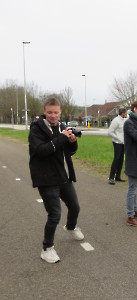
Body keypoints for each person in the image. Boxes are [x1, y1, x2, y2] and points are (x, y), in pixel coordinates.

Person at [28, 97, 84, 264]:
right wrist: (62, 137)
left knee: (75, 207)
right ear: (44, 112)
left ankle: (71, 226)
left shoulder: (62, 127)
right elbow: (42, 151)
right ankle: (47, 248)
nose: (53, 115)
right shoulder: (36, 129)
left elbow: (69, 152)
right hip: (46, 178)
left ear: (60, 112)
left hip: (63, 176)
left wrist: (72, 142)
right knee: (54, 215)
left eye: (56, 112)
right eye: (49, 112)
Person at [108, 108, 127, 185]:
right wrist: (118, 138)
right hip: (117, 142)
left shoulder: (124, 120)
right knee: (116, 159)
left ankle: (118, 176)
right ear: (122, 113)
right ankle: (111, 177)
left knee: (121, 159)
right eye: (125, 112)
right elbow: (110, 132)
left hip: (123, 143)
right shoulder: (116, 120)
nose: (126, 114)